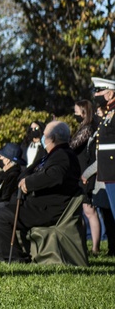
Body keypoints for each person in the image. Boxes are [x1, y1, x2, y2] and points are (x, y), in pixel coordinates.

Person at [0, 121, 81, 263]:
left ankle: (15, 258)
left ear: (53, 138)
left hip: (47, 209)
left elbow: (54, 176)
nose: (42, 138)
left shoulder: (63, 155)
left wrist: (29, 183)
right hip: (38, 205)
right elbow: (30, 170)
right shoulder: (51, 154)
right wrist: (25, 178)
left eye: (44, 135)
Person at [70, 99, 101, 254]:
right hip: (80, 172)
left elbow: (72, 145)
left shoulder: (88, 128)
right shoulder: (84, 127)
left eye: (76, 112)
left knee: (89, 210)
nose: (74, 114)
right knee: (84, 210)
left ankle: (95, 247)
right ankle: (86, 245)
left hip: (85, 173)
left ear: (84, 112)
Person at [91, 77, 115, 251]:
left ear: (110, 92)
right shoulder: (108, 112)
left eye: (99, 91)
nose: (96, 95)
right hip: (108, 171)